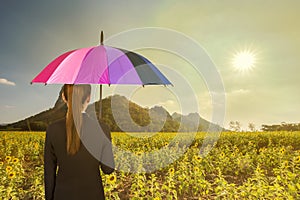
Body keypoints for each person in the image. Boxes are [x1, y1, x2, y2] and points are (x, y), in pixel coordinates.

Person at [44, 84, 115, 200]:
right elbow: (108, 169)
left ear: (63, 97)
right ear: (89, 97)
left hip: (62, 195)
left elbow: (49, 173)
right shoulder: (102, 128)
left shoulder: (52, 129)